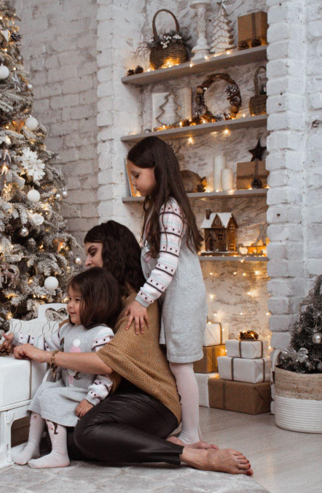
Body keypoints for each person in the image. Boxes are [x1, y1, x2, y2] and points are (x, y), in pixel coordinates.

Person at [0, 221, 252, 475]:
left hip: (151, 400)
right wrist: (5, 346)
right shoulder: (98, 301)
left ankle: (189, 456)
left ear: (114, 253)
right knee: (59, 439)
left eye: (93, 252)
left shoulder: (139, 305)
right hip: (109, 398)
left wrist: (48, 357)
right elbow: (60, 336)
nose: (87, 261)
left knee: (86, 433)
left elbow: (106, 362)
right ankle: (148, 442)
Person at [0, 268, 119, 469]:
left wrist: (91, 399)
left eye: (77, 300)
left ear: (97, 302)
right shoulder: (67, 329)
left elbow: (107, 374)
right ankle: (33, 445)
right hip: (67, 389)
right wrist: (18, 338)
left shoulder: (102, 333)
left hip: (83, 393)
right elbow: (45, 344)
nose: (70, 306)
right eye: (69, 299)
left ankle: (59, 453)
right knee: (44, 390)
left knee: (51, 396)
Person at [123, 136, 208, 445]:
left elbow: (168, 264)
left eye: (137, 174)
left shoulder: (169, 209)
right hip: (175, 298)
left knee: (181, 364)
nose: (133, 182)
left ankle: (190, 434)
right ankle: (191, 430)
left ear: (156, 170)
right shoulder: (160, 207)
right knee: (177, 363)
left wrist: (142, 300)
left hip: (182, 298)